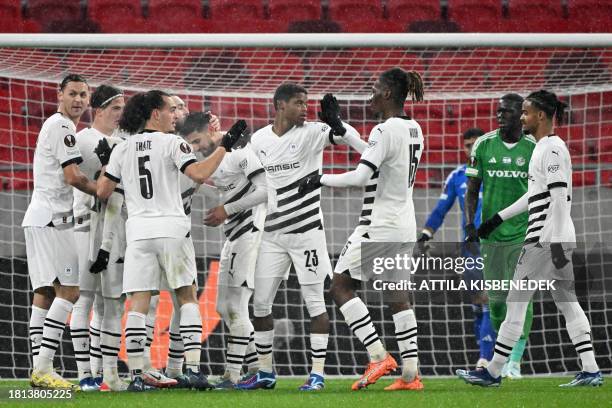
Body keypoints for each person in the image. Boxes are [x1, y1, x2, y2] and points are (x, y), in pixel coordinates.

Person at [96, 89, 246, 391]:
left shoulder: (122, 149)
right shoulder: (173, 143)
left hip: (138, 232)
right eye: (168, 110)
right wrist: (225, 146)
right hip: (172, 229)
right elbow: (200, 173)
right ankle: (191, 369)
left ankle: (137, 375)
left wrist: (109, 166)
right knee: (186, 296)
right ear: (155, 114)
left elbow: (102, 191)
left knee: (138, 303)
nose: (172, 116)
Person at [457, 90, 603, 387]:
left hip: (545, 240)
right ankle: (590, 369)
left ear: (541, 115)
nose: (522, 117)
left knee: (516, 304)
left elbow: (560, 198)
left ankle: (494, 371)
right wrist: (496, 219)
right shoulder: (543, 147)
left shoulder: (550, 150)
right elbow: (535, 194)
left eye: (526, 112)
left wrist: (557, 243)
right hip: (552, 239)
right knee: (566, 303)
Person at [299, 68, 426, 391]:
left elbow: (360, 177)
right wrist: (341, 128)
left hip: (378, 225)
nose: (369, 95)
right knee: (398, 296)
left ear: (386, 94)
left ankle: (378, 354)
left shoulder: (385, 131)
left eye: (374, 89)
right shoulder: (414, 129)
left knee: (340, 286)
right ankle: (411, 374)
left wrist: (319, 179)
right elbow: (375, 155)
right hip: (404, 225)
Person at [236, 83, 367, 391]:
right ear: (280, 105)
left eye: (306, 103)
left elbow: (363, 148)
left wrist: (339, 125)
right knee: (260, 305)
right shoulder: (259, 140)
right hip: (271, 235)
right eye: (298, 102)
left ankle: (317, 375)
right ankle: (265, 372)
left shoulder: (314, 131)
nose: (305, 108)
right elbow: (253, 183)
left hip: (308, 234)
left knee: (315, 304)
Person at [24, 74, 97, 389]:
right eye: (72, 93)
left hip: (40, 216)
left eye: (83, 94)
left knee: (45, 293)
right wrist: (102, 190)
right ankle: (43, 368)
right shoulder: (63, 126)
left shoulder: (56, 125)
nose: (78, 100)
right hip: (54, 218)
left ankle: (39, 368)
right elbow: (72, 176)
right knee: (70, 291)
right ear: (59, 94)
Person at [464, 94, 536, 379]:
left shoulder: (533, 148)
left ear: (521, 114)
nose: (499, 115)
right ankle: (501, 356)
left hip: (524, 233)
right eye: (498, 111)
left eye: (506, 111)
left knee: (520, 298)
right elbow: (472, 188)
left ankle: (514, 362)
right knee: (495, 300)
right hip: (490, 236)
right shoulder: (484, 145)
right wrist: (470, 224)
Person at [194, 114, 269, 389]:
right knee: (222, 307)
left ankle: (233, 374)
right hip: (232, 238)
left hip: (249, 233)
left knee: (237, 307)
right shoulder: (213, 161)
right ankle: (258, 369)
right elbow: (223, 188)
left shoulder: (240, 151)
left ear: (211, 130)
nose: (197, 147)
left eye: (198, 140)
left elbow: (265, 191)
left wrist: (227, 209)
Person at [418, 128, 497, 369]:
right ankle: (487, 355)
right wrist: (426, 233)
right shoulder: (457, 176)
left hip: (497, 246)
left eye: (476, 144)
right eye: (467, 145)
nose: (471, 149)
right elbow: (441, 209)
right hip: (470, 248)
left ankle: (487, 359)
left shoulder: (496, 174)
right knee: (478, 304)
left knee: (490, 302)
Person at [69, 84, 125, 391]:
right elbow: (97, 187)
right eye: (115, 108)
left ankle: (105, 373)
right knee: (84, 299)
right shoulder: (84, 140)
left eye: (123, 109)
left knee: (109, 304)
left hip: (112, 230)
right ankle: (84, 374)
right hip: (85, 224)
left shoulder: (121, 141)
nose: (121, 114)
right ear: (99, 110)